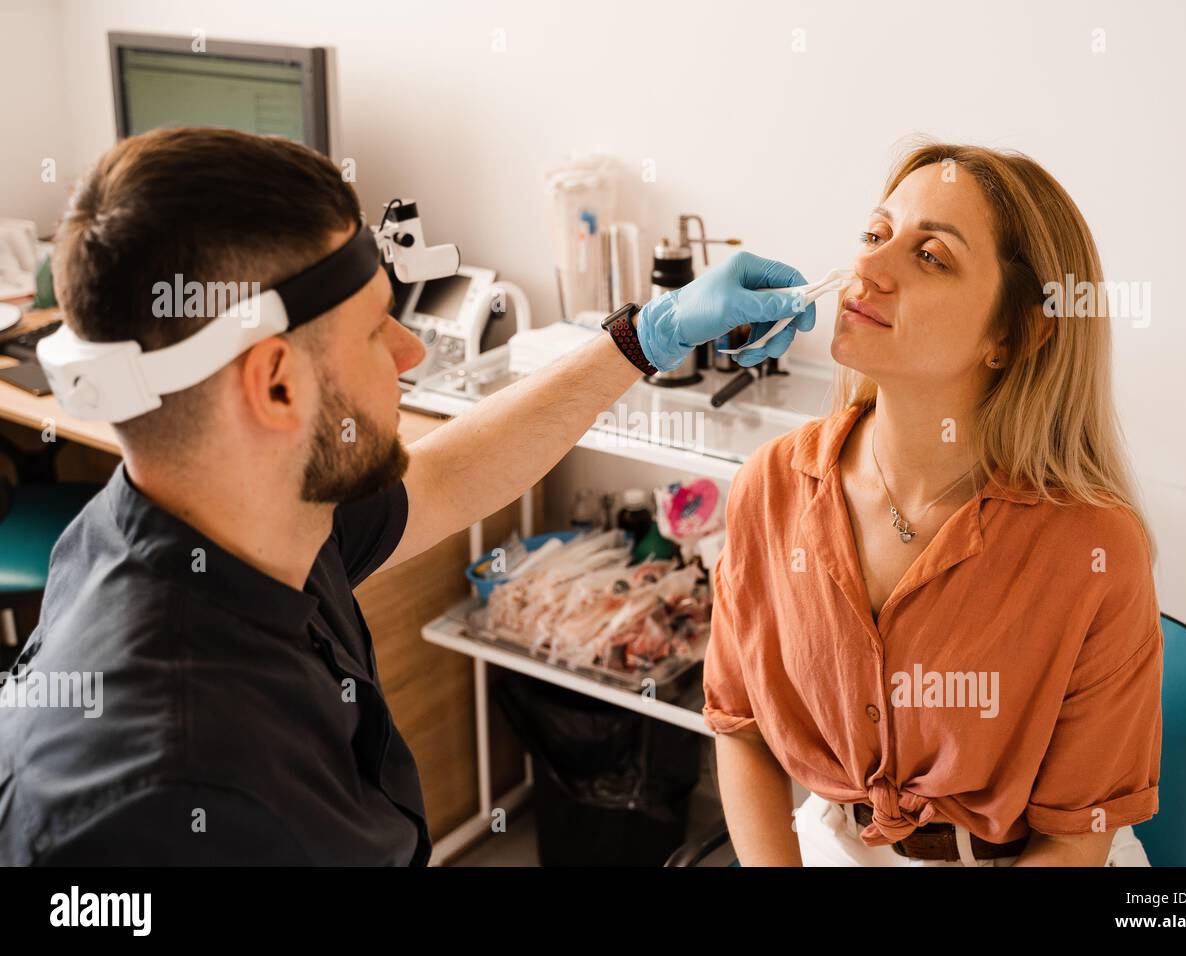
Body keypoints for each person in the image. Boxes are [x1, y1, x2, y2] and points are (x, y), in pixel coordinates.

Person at [0, 126, 813, 865]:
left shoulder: (223, 513)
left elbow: (447, 475)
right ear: (275, 388)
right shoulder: (168, 798)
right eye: (377, 328)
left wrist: (648, 336)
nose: (412, 352)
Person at [704, 142, 1162, 867]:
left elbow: (1078, 834)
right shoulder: (773, 485)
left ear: (1012, 335)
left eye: (931, 258)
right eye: (876, 236)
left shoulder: (1096, 548)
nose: (867, 270)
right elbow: (741, 726)